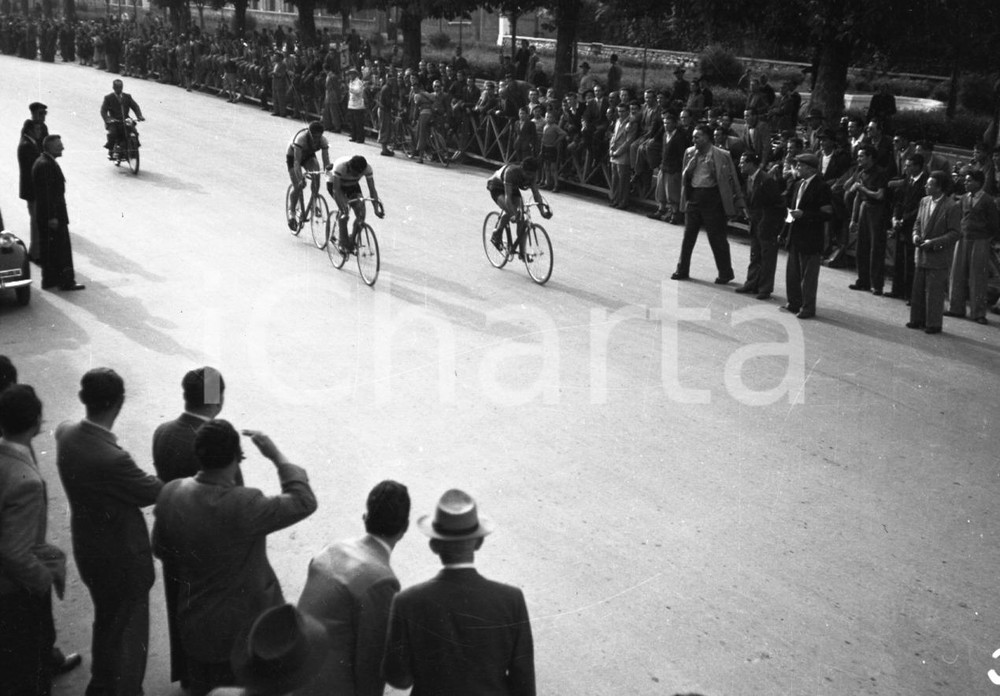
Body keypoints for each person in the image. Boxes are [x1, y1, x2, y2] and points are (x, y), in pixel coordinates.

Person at [153, 420, 317, 696]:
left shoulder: (171, 492)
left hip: (194, 623)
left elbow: (160, 548)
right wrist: (276, 456)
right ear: (236, 458)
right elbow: (304, 501)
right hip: (241, 632)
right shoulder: (245, 503)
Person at [55, 368, 164, 696]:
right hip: (122, 558)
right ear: (120, 402)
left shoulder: (65, 433)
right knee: (129, 634)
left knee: (106, 620)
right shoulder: (113, 459)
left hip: (88, 547)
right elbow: (152, 491)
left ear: (82, 398)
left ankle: (101, 683)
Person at [382, 489, 535, 696]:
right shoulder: (511, 600)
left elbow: (399, 679)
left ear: (434, 545)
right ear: (479, 542)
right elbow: (524, 684)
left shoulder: (407, 602)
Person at [151, 366, 235, 691]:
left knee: (178, 605)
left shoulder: (163, 431)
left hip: (172, 537)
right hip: (207, 549)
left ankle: (187, 674)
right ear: (217, 401)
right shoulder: (216, 443)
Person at [297, 481, 411, 696]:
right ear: (404, 529)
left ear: (365, 517)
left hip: (296, 675)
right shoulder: (382, 581)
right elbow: (371, 662)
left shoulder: (330, 550)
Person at [0, 385, 66, 696]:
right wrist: (43, 579)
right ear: (37, 420)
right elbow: (14, 552)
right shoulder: (25, 480)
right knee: (29, 673)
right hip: (14, 592)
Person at [672, 124, 746, 283]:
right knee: (688, 237)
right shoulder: (689, 153)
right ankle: (682, 269)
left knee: (717, 238)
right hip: (694, 197)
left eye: (697, 137)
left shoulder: (722, 155)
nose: (694, 140)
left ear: (706, 138)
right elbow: (685, 177)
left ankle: (725, 273)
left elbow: (732, 178)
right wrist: (688, 170)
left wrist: (739, 200)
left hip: (713, 199)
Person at [907, 171, 961, 334]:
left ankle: (933, 323)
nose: (926, 186)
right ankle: (916, 319)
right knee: (918, 288)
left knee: (934, 291)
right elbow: (917, 223)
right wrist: (915, 235)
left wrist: (934, 242)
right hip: (921, 252)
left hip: (938, 254)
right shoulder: (924, 201)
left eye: (930, 184)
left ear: (939, 188)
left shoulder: (951, 206)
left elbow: (954, 233)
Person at [782, 153, 833, 319]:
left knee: (808, 276)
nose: (797, 168)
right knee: (792, 273)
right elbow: (791, 210)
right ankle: (793, 302)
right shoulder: (798, 185)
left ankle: (808, 307)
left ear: (810, 169)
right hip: (795, 235)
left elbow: (827, 214)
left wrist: (805, 215)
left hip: (811, 237)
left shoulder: (822, 187)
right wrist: (784, 231)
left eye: (800, 166)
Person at [946, 169, 999, 324]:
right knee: (957, 273)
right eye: (966, 180)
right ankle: (956, 307)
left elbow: (994, 224)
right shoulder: (964, 198)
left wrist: (987, 239)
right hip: (963, 238)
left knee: (978, 277)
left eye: (969, 181)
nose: (966, 183)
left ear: (978, 182)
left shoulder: (987, 201)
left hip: (980, 241)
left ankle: (978, 313)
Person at [32, 135, 84, 291]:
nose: (62, 148)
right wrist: (52, 217)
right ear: (49, 147)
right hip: (53, 215)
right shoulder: (46, 165)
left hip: (48, 215)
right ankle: (66, 281)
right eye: (58, 145)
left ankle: (50, 280)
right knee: (61, 249)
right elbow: (47, 194)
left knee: (50, 249)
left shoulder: (44, 162)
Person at [735, 152, 784, 300]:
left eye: (743, 162)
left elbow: (777, 205)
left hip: (767, 224)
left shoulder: (766, 180)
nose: (740, 165)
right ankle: (752, 283)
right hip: (756, 223)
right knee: (755, 255)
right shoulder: (750, 179)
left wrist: (772, 224)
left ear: (751, 164)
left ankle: (765, 288)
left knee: (767, 258)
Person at [486, 157, 550, 258]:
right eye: (527, 174)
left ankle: (522, 252)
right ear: (522, 169)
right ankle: (497, 232)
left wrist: (542, 211)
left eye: (532, 175)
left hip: (512, 187)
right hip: (497, 186)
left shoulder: (532, 176)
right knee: (511, 211)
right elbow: (508, 198)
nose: (529, 177)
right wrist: (513, 214)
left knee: (521, 219)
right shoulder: (511, 172)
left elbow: (536, 194)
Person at [848, 144, 889, 295]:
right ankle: (863, 280)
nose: (859, 159)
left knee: (876, 248)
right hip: (864, 208)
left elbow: (880, 195)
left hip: (877, 211)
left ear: (870, 157)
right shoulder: (861, 173)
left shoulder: (880, 173)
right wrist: (853, 219)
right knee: (862, 247)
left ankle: (876, 284)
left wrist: (863, 189)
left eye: (861, 156)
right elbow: (857, 197)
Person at [888, 155, 927, 300]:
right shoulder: (907, 181)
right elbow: (898, 201)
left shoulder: (924, 183)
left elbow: (920, 207)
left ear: (917, 166)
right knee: (899, 258)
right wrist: (895, 218)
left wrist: (904, 219)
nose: (906, 168)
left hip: (913, 224)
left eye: (909, 165)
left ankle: (910, 294)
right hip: (901, 224)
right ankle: (897, 290)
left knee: (911, 260)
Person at [327, 155, 384, 254]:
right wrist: (343, 206)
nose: (356, 175)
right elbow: (336, 191)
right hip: (335, 184)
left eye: (358, 174)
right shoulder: (340, 167)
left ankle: (352, 241)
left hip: (352, 185)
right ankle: (342, 242)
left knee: (361, 214)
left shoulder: (367, 168)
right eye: (354, 173)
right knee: (345, 212)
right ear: (349, 167)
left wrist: (376, 208)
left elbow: (372, 189)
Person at [285, 121, 331, 231]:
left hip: (308, 156)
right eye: (314, 136)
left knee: (316, 177)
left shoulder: (323, 141)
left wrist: (328, 173)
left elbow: (326, 160)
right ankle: (292, 213)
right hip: (293, 157)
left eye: (318, 137)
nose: (316, 139)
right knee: (298, 186)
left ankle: (313, 202)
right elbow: (296, 162)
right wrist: (300, 178)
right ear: (309, 133)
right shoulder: (300, 139)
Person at [17, 119, 44, 264]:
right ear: (30, 131)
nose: (40, 132)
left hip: (31, 189)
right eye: (37, 129)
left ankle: (36, 251)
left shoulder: (29, 143)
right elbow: (33, 170)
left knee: (36, 221)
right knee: (36, 222)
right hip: (33, 190)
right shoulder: (27, 145)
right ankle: (35, 254)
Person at [99, 79, 144, 155]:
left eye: (120, 87)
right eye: (117, 87)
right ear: (113, 88)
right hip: (114, 121)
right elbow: (103, 111)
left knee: (134, 132)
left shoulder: (127, 97)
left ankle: (134, 147)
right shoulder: (108, 98)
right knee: (112, 134)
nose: (119, 89)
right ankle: (111, 149)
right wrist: (108, 119)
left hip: (125, 120)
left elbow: (135, 106)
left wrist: (139, 116)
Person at [346, 68, 367, 143]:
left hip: (358, 106)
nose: (350, 76)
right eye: (349, 74)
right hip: (352, 104)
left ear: (355, 74)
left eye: (351, 74)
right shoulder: (351, 82)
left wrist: (350, 89)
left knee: (358, 123)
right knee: (353, 123)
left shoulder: (358, 82)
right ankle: (354, 136)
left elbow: (357, 91)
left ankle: (360, 138)